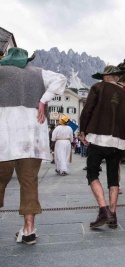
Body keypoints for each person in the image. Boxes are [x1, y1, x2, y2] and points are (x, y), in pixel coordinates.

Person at [0, 47, 67, 245]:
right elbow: (61, 79)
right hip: (32, 140)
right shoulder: (39, 73)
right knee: (29, 182)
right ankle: (29, 230)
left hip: (5, 138)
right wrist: (43, 101)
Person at [80, 65, 125, 229]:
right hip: (119, 142)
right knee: (113, 176)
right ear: (117, 78)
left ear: (105, 77)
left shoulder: (97, 88)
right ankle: (113, 215)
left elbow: (87, 110)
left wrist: (82, 131)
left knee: (92, 172)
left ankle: (103, 210)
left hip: (98, 137)